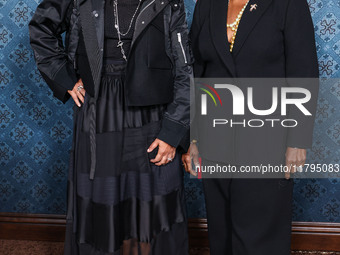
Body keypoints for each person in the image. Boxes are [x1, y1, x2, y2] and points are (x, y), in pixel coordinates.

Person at [29, 0, 193, 253]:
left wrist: (173, 131)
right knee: (102, 200)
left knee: (156, 203)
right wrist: (66, 78)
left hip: (154, 110)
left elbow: (185, 68)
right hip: (98, 107)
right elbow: (41, 27)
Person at [182, 0, 319, 254]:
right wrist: (194, 138)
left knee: (259, 239)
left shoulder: (288, 4)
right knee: (221, 236)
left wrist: (298, 140)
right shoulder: (207, 5)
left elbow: (304, 71)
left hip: (267, 141)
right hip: (215, 141)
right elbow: (197, 74)